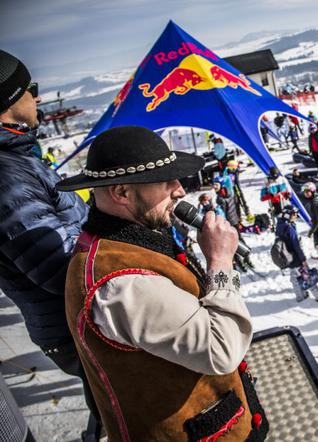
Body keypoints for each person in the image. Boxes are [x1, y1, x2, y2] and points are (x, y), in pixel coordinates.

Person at [56, 125, 268, 441]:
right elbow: (222, 349)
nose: (180, 190)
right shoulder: (122, 285)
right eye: (165, 181)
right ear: (122, 193)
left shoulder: (122, 243)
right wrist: (220, 262)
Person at [0, 49, 100, 438]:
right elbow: (62, 269)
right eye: (31, 89)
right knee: (127, 410)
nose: (38, 98)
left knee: (114, 408)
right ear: (8, 103)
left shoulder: (19, 157)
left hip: (80, 320)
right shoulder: (7, 177)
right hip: (76, 325)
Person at [276, 204, 318, 302]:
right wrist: (303, 259)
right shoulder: (289, 228)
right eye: (294, 214)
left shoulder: (280, 224)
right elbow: (296, 246)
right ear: (288, 215)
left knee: (294, 276)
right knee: (307, 276)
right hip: (295, 257)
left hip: (287, 256)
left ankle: (300, 296)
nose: (296, 216)